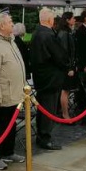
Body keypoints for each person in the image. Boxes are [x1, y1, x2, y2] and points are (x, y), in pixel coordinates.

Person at [0, 13, 27, 171]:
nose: (12, 24)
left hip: (14, 93)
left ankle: (8, 152)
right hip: (2, 95)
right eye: (10, 22)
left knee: (11, 124)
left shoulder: (11, 41)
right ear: (1, 26)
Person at [30, 8, 72, 150]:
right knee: (48, 108)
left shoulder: (37, 33)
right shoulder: (48, 35)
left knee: (44, 108)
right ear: (50, 20)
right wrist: (67, 65)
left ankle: (42, 135)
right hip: (50, 78)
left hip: (41, 77)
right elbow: (60, 56)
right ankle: (45, 137)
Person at [55, 12, 76, 120]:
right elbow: (64, 52)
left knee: (66, 91)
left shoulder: (67, 32)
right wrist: (69, 67)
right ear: (67, 20)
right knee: (65, 91)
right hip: (66, 68)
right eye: (72, 18)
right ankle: (65, 114)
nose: (74, 20)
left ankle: (65, 112)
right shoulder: (64, 33)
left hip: (67, 66)